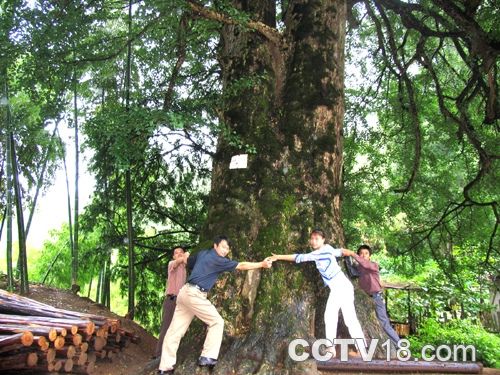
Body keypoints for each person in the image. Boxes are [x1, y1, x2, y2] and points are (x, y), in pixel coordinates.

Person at [157, 235, 273, 374]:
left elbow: (189, 262)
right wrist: (261, 264)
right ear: (215, 245)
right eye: (223, 247)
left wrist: (187, 256)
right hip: (195, 295)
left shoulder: (202, 254)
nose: (225, 251)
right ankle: (207, 356)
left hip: (184, 293)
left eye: (227, 248)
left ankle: (165, 367)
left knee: (174, 332)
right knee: (217, 322)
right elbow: (241, 265)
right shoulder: (218, 260)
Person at [270, 228, 366, 357]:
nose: (314, 241)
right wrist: (278, 257)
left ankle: (359, 348)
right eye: (312, 238)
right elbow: (298, 257)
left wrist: (356, 256)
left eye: (317, 239)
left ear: (323, 240)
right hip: (337, 288)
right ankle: (335, 347)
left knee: (346, 318)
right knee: (333, 316)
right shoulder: (316, 253)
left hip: (342, 286)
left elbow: (342, 251)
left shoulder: (326, 249)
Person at [344, 244, 400, 346]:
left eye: (366, 253)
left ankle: (400, 345)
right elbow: (352, 272)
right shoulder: (359, 269)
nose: (363, 255)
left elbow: (365, 264)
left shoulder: (373, 265)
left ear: (370, 256)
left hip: (377, 297)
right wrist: (346, 257)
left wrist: (352, 254)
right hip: (366, 298)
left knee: (384, 324)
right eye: (361, 253)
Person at [154, 247, 190, 359]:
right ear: (173, 256)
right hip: (171, 300)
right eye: (176, 253)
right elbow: (179, 261)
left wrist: (187, 257)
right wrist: (186, 255)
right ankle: (158, 354)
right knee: (166, 327)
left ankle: (173, 355)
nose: (179, 254)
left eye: (181, 252)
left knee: (179, 329)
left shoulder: (186, 267)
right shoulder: (172, 264)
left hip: (182, 301)